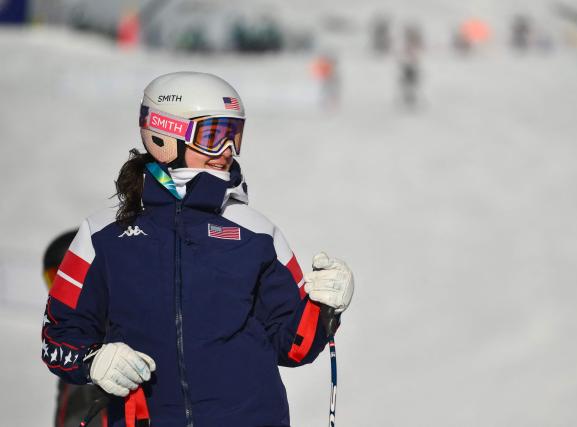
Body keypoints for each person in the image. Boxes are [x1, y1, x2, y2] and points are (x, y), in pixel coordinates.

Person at [41, 71, 355, 426]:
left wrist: (325, 306)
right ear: (163, 135)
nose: (226, 152)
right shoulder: (102, 236)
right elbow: (58, 337)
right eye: (213, 136)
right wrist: (93, 360)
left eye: (234, 137)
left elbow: (294, 345)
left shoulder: (256, 233)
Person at [43, 230, 107, 427]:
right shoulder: (68, 340)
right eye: (53, 280)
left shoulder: (111, 334)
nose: (60, 291)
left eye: (67, 279)